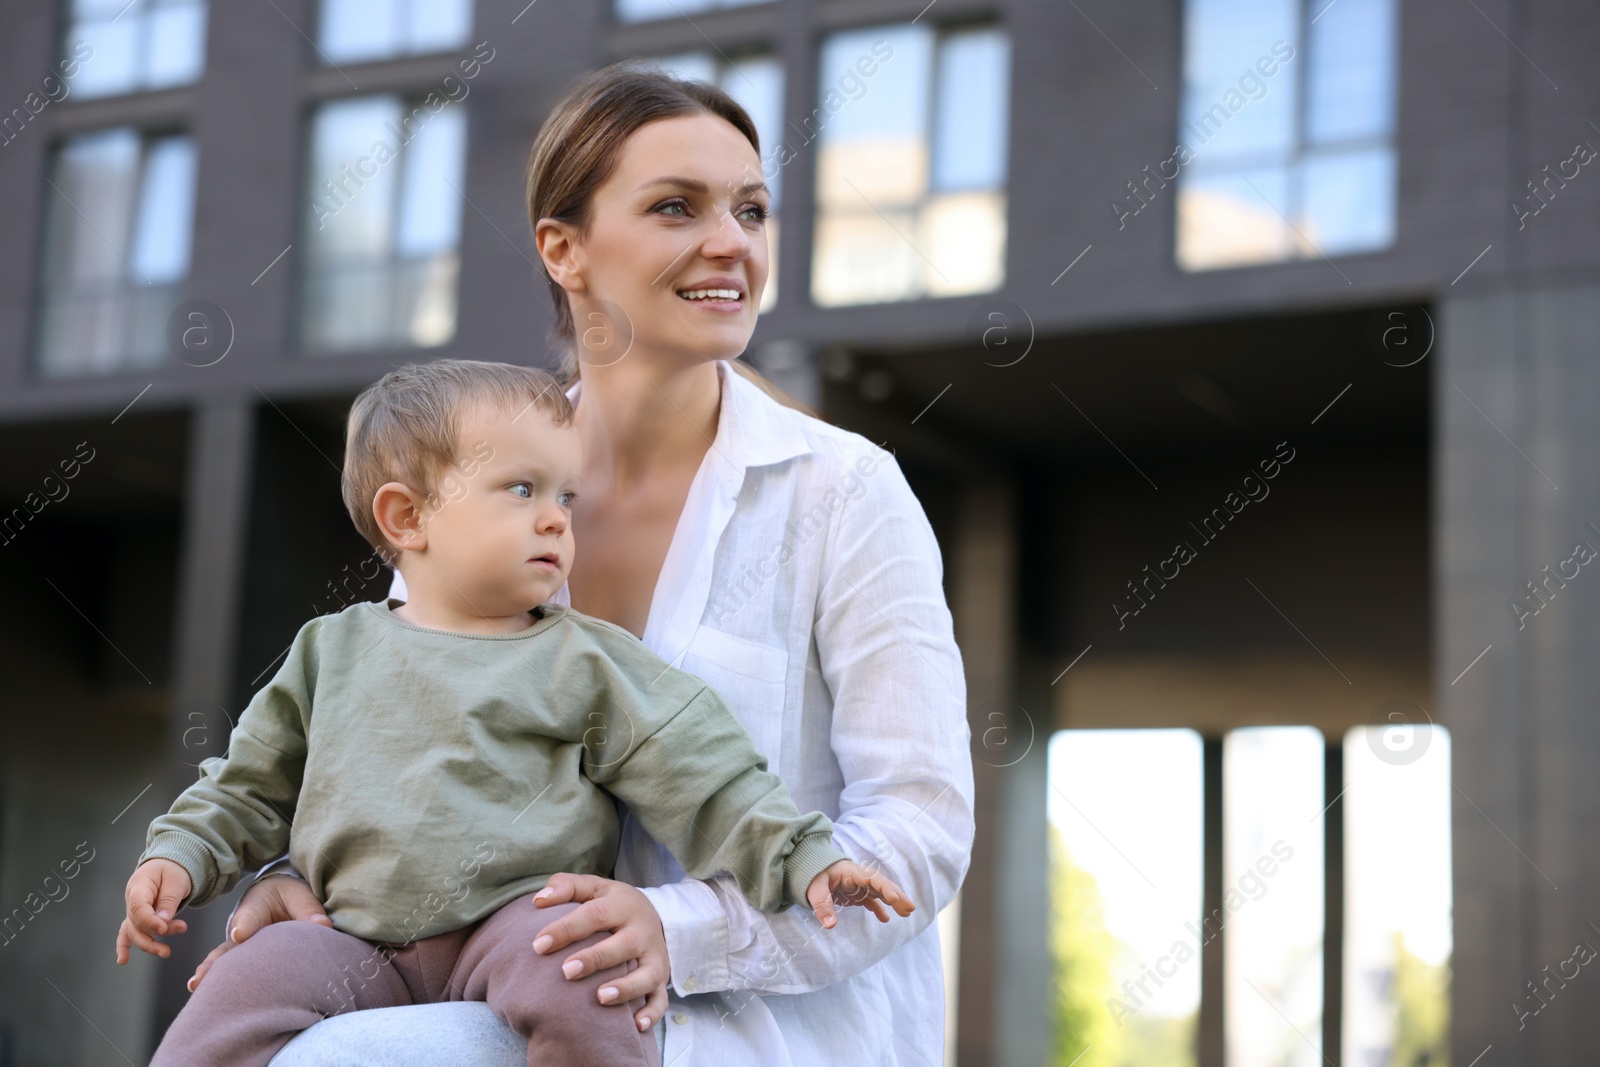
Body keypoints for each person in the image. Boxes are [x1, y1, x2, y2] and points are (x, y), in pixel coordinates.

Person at [186, 59, 975, 1066]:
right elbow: (393, 736)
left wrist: (678, 926)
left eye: (752, 209)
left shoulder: (845, 495)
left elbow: (921, 829)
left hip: (777, 1032)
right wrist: (298, 875)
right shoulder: (472, 471)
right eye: (676, 207)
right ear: (564, 248)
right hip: (507, 987)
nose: (730, 242)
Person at [117, 359, 914, 1067]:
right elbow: (250, 784)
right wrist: (182, 854)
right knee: (234, 986)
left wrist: (801, 854)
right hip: (349, 936)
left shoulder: (584, 659)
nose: (558, 518)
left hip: (517, 925)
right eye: (523, 490)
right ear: (407, 518)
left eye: (567, 494)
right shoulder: (332, 650)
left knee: (591, 986)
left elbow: (706, 771)